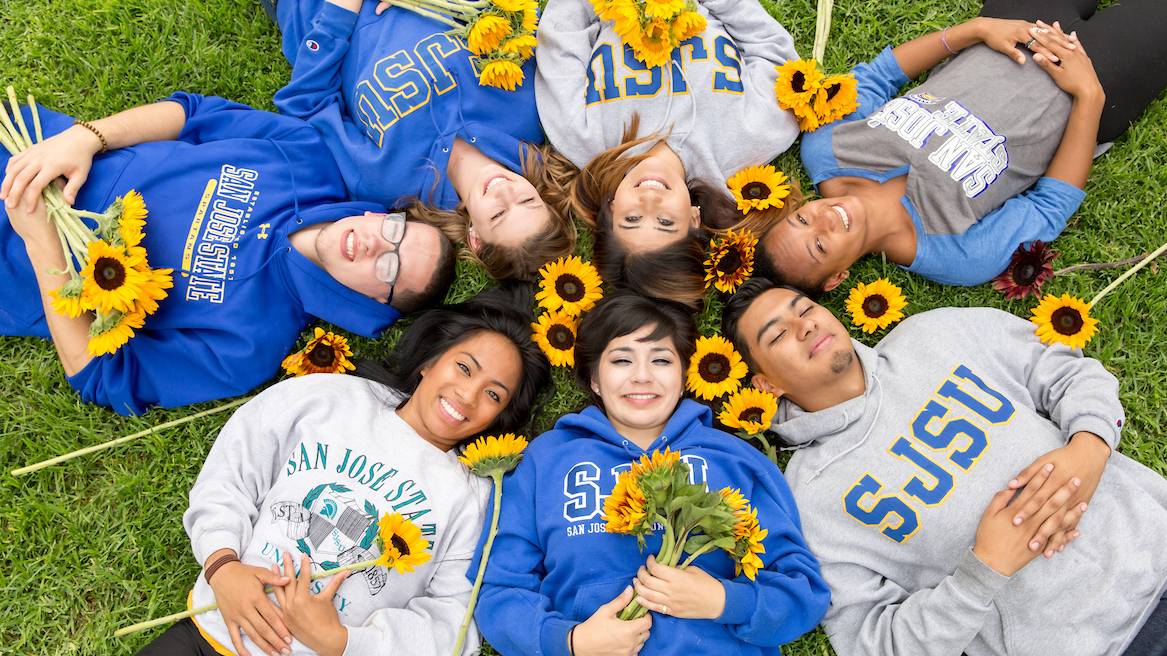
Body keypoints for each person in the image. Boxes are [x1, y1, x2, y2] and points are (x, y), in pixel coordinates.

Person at [721, 277, 1167, 656]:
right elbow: (877, 643)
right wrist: (985, 569)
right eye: (778, 335)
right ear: (766, 384)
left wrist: (1089, 447)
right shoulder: (810, 502)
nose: (805, 326)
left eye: (806, 308)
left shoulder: (935, 333)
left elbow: (1065, 370)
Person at [136, 289, 551, 656]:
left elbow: (452, 627)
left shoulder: (475, 497)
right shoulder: (332, 398)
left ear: (500, 416)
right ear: (430, 360)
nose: (468, 394)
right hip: (210, 637)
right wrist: (221, 564)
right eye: (464, 367)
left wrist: (344, 643)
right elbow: (234, 470)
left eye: (494, 394)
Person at [0, 94, 454, 415]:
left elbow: (102, 377)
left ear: (376, 302)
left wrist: (40, 238)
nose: (377, 243)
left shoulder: (248, 347)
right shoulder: (307, 158)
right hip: (34, 150)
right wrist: (86, 138)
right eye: (396, 230)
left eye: (390, 266)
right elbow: (192, 113)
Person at [471, 292, 829, 656]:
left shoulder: (735, 459)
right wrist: (570, 642)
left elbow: (802, 592)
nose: (642, 376)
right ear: (594, 378)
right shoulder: (544, 460)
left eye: (660, 359)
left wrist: (723, 600)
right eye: (622, 360)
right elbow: (498, 589)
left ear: (683, 375)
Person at [755, 3, 1167, 291]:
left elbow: (879, 76)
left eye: (802, 221)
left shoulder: (826, 150)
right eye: (820, 246)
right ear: (837, 277)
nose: (823, 221)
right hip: (1100, 78)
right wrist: (1089, 96)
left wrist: (977, 29)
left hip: (1013, 26)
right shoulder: (954, 255)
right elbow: (1049, 207)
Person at [271, 0, 576, 280]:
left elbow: (307, 102)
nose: (505, 192)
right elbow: (502, 15)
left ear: (476, 238)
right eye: (526, 201)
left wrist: (341, 11)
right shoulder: (527, 114)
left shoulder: (389, 180)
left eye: (498, 215)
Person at [536, 0, 801, 306]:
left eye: (632, 218)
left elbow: (560, 40)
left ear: (610, 207)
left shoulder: (582, 137)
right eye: (666, 222)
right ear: (693, 219)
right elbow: (772, 50)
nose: (650, 201)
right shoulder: (753, 138)